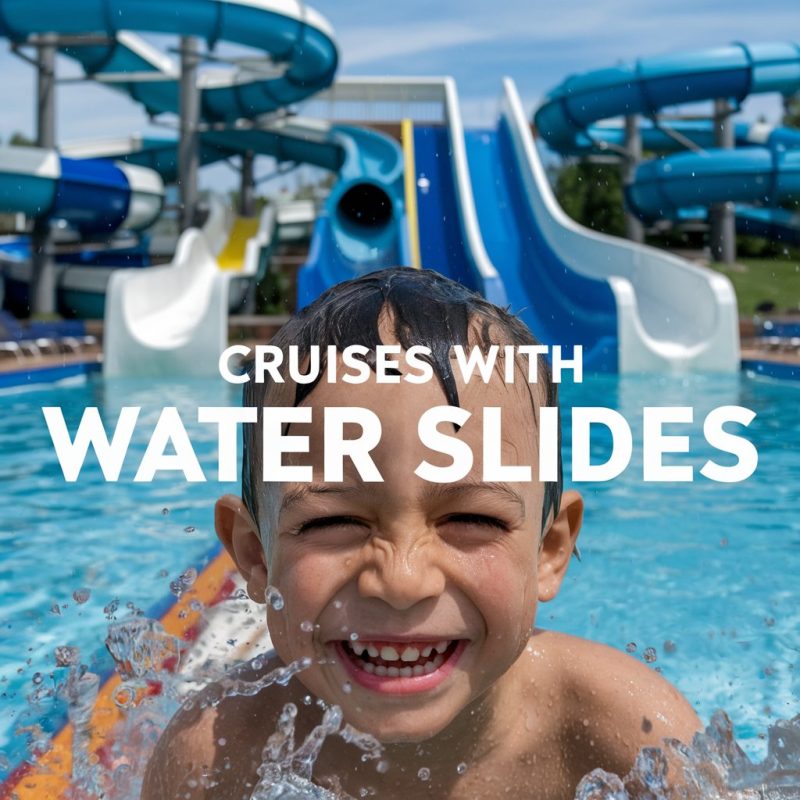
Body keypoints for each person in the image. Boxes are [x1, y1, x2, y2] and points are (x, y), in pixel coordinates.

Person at [142, 267, 701, 800]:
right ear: (256, 556)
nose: (402, 580)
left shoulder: (630, 736)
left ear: (549, 551)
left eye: (472, 520)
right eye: (332, 522)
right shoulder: (216, 757)